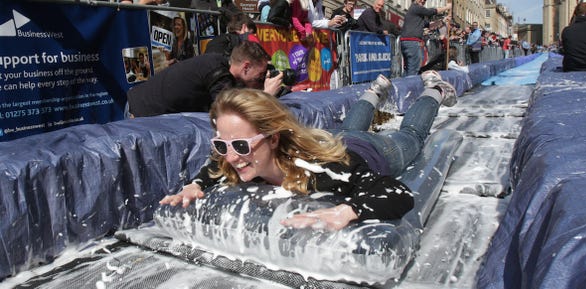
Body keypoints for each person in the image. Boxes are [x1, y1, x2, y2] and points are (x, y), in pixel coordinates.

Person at [159, 70, 457, 231]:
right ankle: (374, 92)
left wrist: (348, 210)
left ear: (273, 138)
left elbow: (397, 193)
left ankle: (434, 90)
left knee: (412, 135)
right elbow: (214, 166)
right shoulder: (233, 159)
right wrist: (195, 185)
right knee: (349, 129)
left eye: (240, 145)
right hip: (335, 140)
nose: (232, 157)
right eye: (222, 145)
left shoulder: (326, 173)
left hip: (375, 150)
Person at [127, 41, 283, 118]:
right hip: (141, 115)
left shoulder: (218, 63)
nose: (261, 78)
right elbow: (227, 115)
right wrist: (266, 96)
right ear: (246, 67)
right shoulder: (217, 72)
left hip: (140, 106)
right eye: (261, 74)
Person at [400, 0, 451, 76]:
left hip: (409, 42)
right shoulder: (416, 7)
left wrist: (443, 21)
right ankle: (411, 86)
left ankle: (405, 85)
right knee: (414, 68)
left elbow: (429, 25)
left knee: (409, 68)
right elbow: (430, 11)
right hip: (412, 42)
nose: (423, 1)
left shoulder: (416, 15)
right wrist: (446, 7)